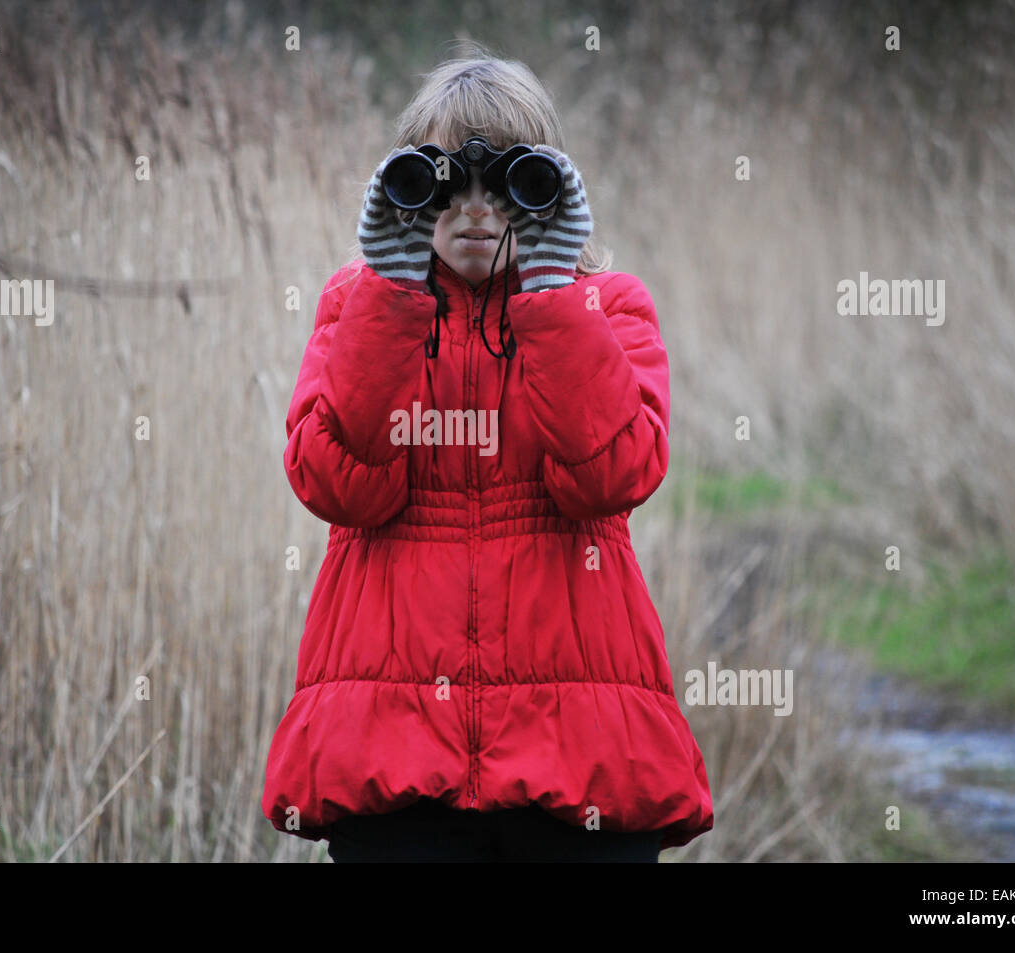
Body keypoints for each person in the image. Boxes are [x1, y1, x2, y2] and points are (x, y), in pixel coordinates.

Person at [260, 47, 714, 862]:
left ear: (551, 188)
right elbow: (333, 481)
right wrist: (391, 294)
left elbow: (613, 477)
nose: (475, 209)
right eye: (444, 182)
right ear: (405, 189)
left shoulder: (607, 308)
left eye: (507, 183)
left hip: (578, 752)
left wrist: (549, 295)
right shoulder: (356, 305)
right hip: (393, 750)